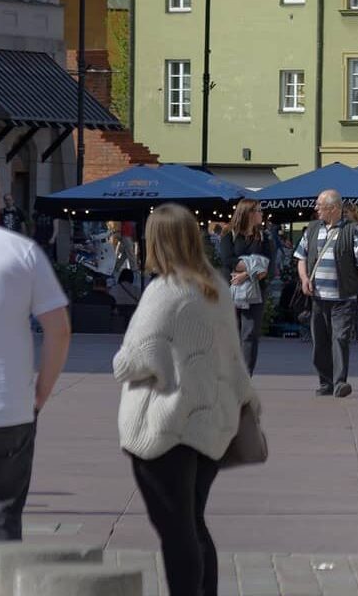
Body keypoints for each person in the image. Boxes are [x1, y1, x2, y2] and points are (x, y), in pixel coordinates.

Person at [114, 204, 257, 596]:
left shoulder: (165, 291)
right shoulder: (215, 286)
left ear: (157, 242)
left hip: (168, 428)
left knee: (175, 531)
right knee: (193, 523)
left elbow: (133, 361)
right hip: (209, 428)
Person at [0, 161, 69, 577]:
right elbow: (59, 331)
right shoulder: (22, 252)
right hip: (4, 409)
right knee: (0, 519)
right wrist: (41, 393)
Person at [294, 189, 358, 398]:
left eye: (320, 206)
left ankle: (339, 382)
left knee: (339, 339)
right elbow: (301, 258)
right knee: (319, 342)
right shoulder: (312, 230)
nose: (316, 209)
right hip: (318, 299)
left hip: (343, 298)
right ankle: (325, 381)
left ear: (334, 209)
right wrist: (304, 279)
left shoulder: (351, 232)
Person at [216, 199, 275, 374]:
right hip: (231, 289)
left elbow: (268, 266)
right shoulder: (229, 234)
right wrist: (254, 265)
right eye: (258, 210)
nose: (261, 214)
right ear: (248, 213)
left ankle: (245, 375)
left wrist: (246, 273)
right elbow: (228, 260)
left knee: (249, 334)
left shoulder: (264, 236)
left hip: (256, 290)